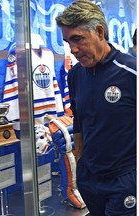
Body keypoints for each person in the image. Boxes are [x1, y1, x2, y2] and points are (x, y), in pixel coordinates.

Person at [55, 1, 136, 216]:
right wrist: (81, 160)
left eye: (77, 39)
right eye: (67, 41)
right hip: (90, 178)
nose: (72, 49)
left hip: (125, 179)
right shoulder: (75, 76)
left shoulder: (131, 72)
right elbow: (79, 120)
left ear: (99, 32)